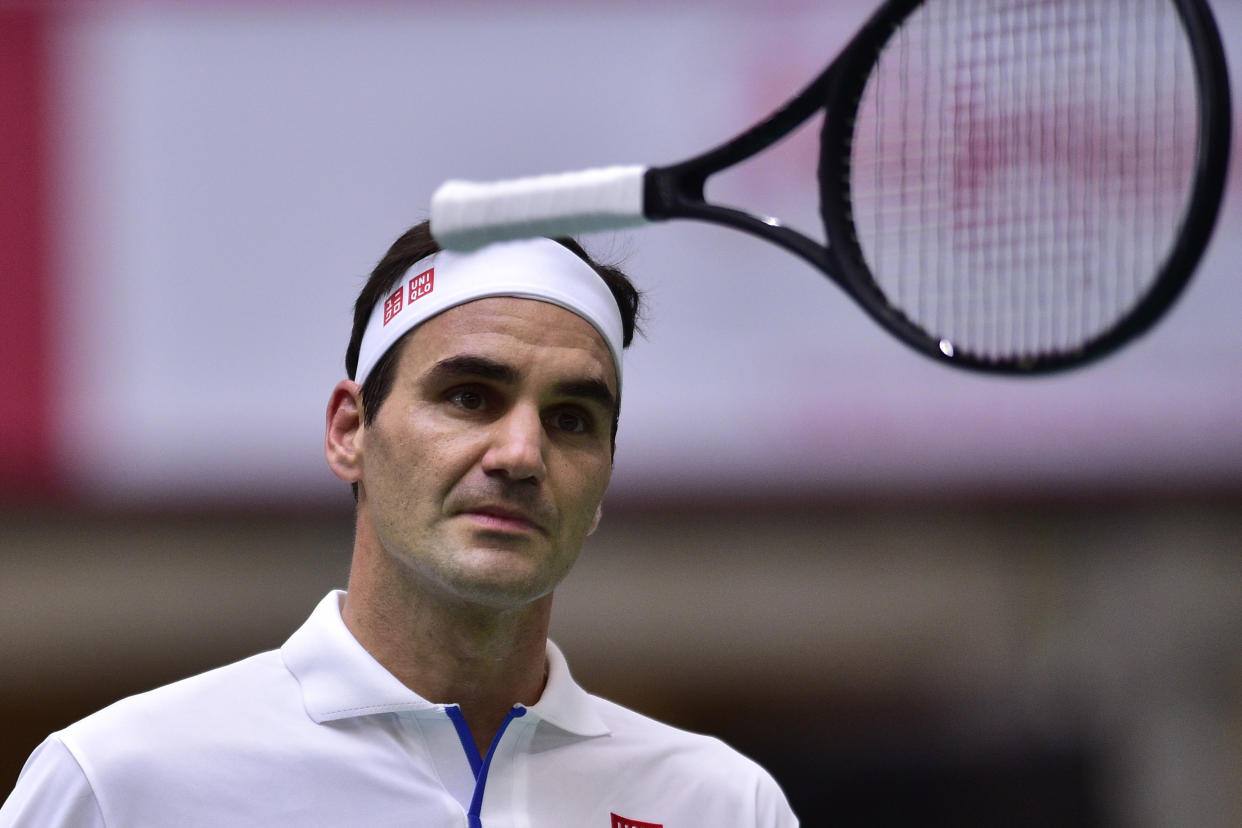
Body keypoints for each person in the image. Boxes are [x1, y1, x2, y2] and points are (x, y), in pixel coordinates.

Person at [1, 221, 798, 827]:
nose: (522, 453)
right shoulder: (122, 782)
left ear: (604, 482)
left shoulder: (722, 803)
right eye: (469, 397)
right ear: (350, 431)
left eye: (572, 420)